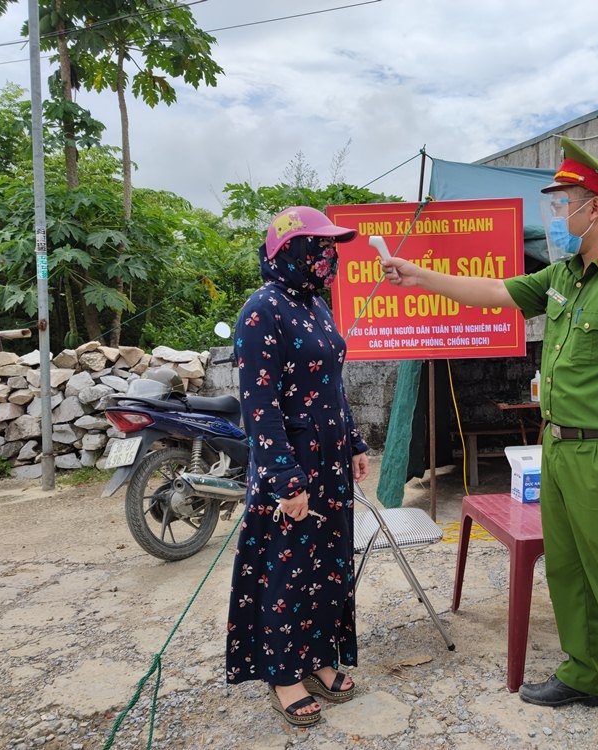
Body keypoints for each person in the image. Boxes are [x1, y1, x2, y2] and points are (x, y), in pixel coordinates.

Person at [381, 137, 598, 750]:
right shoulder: (566, 275)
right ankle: (583, 675)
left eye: (560, 204)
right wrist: (419, 275)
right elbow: (494, 293)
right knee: (566, 572)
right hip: (558, 450)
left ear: (593, 208)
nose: (554, 218)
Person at [225, 206, 370, 728]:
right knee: (287, 570)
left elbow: (333, 382)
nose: (329, 257)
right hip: (291, 466)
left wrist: (353, 440)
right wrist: (285, 479)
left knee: (328, 564)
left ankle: (320, 657)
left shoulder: (317, 304)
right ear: (289, 250)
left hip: (331, 463)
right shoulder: (261, 310)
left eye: (332, 247)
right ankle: (284, 673)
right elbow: (258, 405)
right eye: (320, 247)